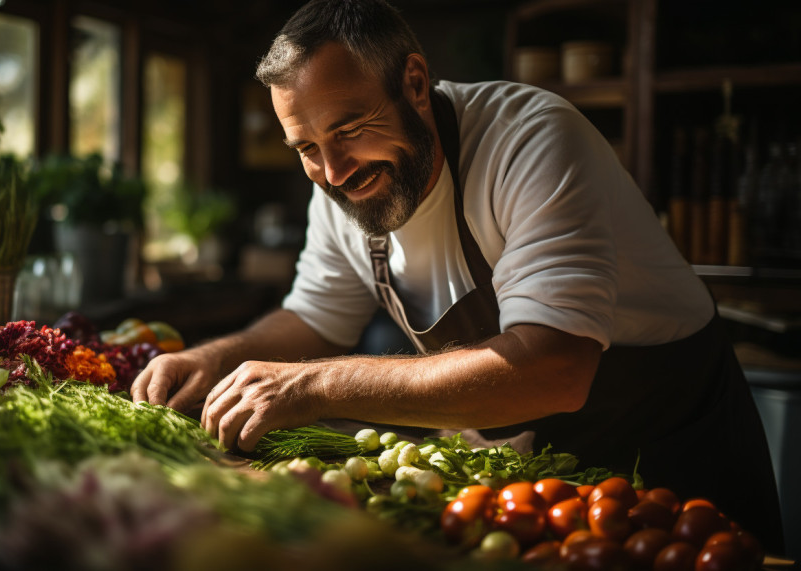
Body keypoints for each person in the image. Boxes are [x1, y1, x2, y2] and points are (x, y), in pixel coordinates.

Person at [133, 0, 784, 551]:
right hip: (533, 490)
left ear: (415, 83)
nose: (332, 172)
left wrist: (313, 385)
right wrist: (213, 360)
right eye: (306, 148)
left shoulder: (529, 140)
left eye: (350, 129)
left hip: (673, 469)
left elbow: (553, 368)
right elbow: (313, 317)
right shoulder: (340, 186)